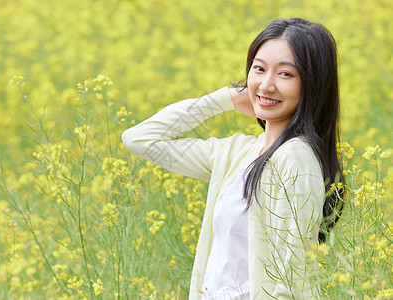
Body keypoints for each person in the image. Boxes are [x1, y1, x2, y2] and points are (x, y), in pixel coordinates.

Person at [122, 18, 344, 299]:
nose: (266, 85)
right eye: (259, 69)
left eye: (286, 74)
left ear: (312, 86)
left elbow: (293, 279)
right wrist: (226, 98)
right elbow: (139, 139)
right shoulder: (239, 153)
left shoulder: (296, 159)